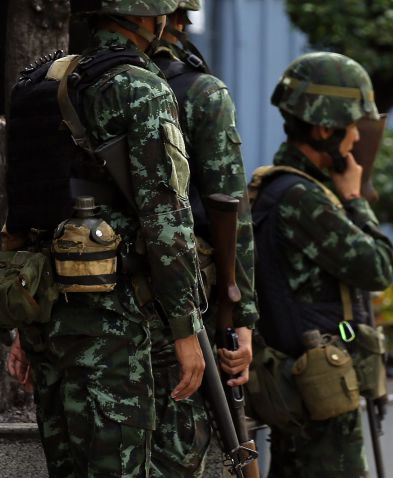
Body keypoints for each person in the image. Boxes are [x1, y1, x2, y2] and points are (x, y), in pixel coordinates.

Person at [3, 1, 205, 476]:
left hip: (44, 314)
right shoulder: (141, 86)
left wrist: (21, 327)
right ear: (147, 16)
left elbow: (20, 211)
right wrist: (185, 329)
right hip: (109, 321)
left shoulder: (37, 82)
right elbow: (166, 220)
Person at [253, 52, 393, 478]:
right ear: (322, 129)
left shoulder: (286, 186)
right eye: (351, 125)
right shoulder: (302, 198)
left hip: (314, 388)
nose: (356, 138)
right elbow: (378, 266)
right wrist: (355, 199)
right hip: (317, 394)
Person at [147, 1, 258, 475]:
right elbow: (230, 209)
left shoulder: (69, 82)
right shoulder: (197, 91)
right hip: (183, 312)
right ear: (175, 18)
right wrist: (243, 314)